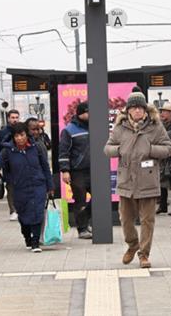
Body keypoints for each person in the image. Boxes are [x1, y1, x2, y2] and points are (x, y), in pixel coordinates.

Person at [104, 89, 171, 269]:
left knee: (147, 220)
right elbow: (107, 148)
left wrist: (150, 149)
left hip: (148, 180)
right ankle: (132, 244)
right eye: (133, 108)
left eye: (140, 108)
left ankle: (144, 254)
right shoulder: (120, 127)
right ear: (128, 110)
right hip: (126, 180)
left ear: (145, 109)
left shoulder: (155, 127)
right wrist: (119, 150)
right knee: (125, 219)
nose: (137, 111)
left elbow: (168, 148)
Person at [0, 122, 53, 252]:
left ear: (26, 135)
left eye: (22, 135)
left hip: (38, 185)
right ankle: (27, 236)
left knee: (37, 213)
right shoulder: (8, 151)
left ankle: (35, 242)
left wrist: (50, 186)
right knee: (23, 215)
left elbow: (45, 167)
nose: (19, 138)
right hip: (19, 187)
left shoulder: (36, 148)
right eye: (16, 136)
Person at [59, 101, 93, 240]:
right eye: (87, 112)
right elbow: (63, 152)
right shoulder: (69, 130)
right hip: (77, 171)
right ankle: (82, 229)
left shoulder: (95, 126)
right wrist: (65, 170)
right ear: (81, 113)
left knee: (100, 197)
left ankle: (85, 219)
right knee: (80, 200)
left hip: (94, 169)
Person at [0, 109, 20, 221]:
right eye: (12, 117)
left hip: (21, 164)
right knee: (10, 188)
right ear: (8, 118)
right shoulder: (2, 133)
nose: (14, 120)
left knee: (20, 187)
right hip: (8, 165)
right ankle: (13, 210)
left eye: (16, 117)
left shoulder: (22, 130)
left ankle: (19, 209)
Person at [157, 101, 171, 215]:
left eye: (164, 111)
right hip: (163, 157)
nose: (162, 113)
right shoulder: (161, 124)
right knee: (162, 182)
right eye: (162, 111)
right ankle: (163, 205)